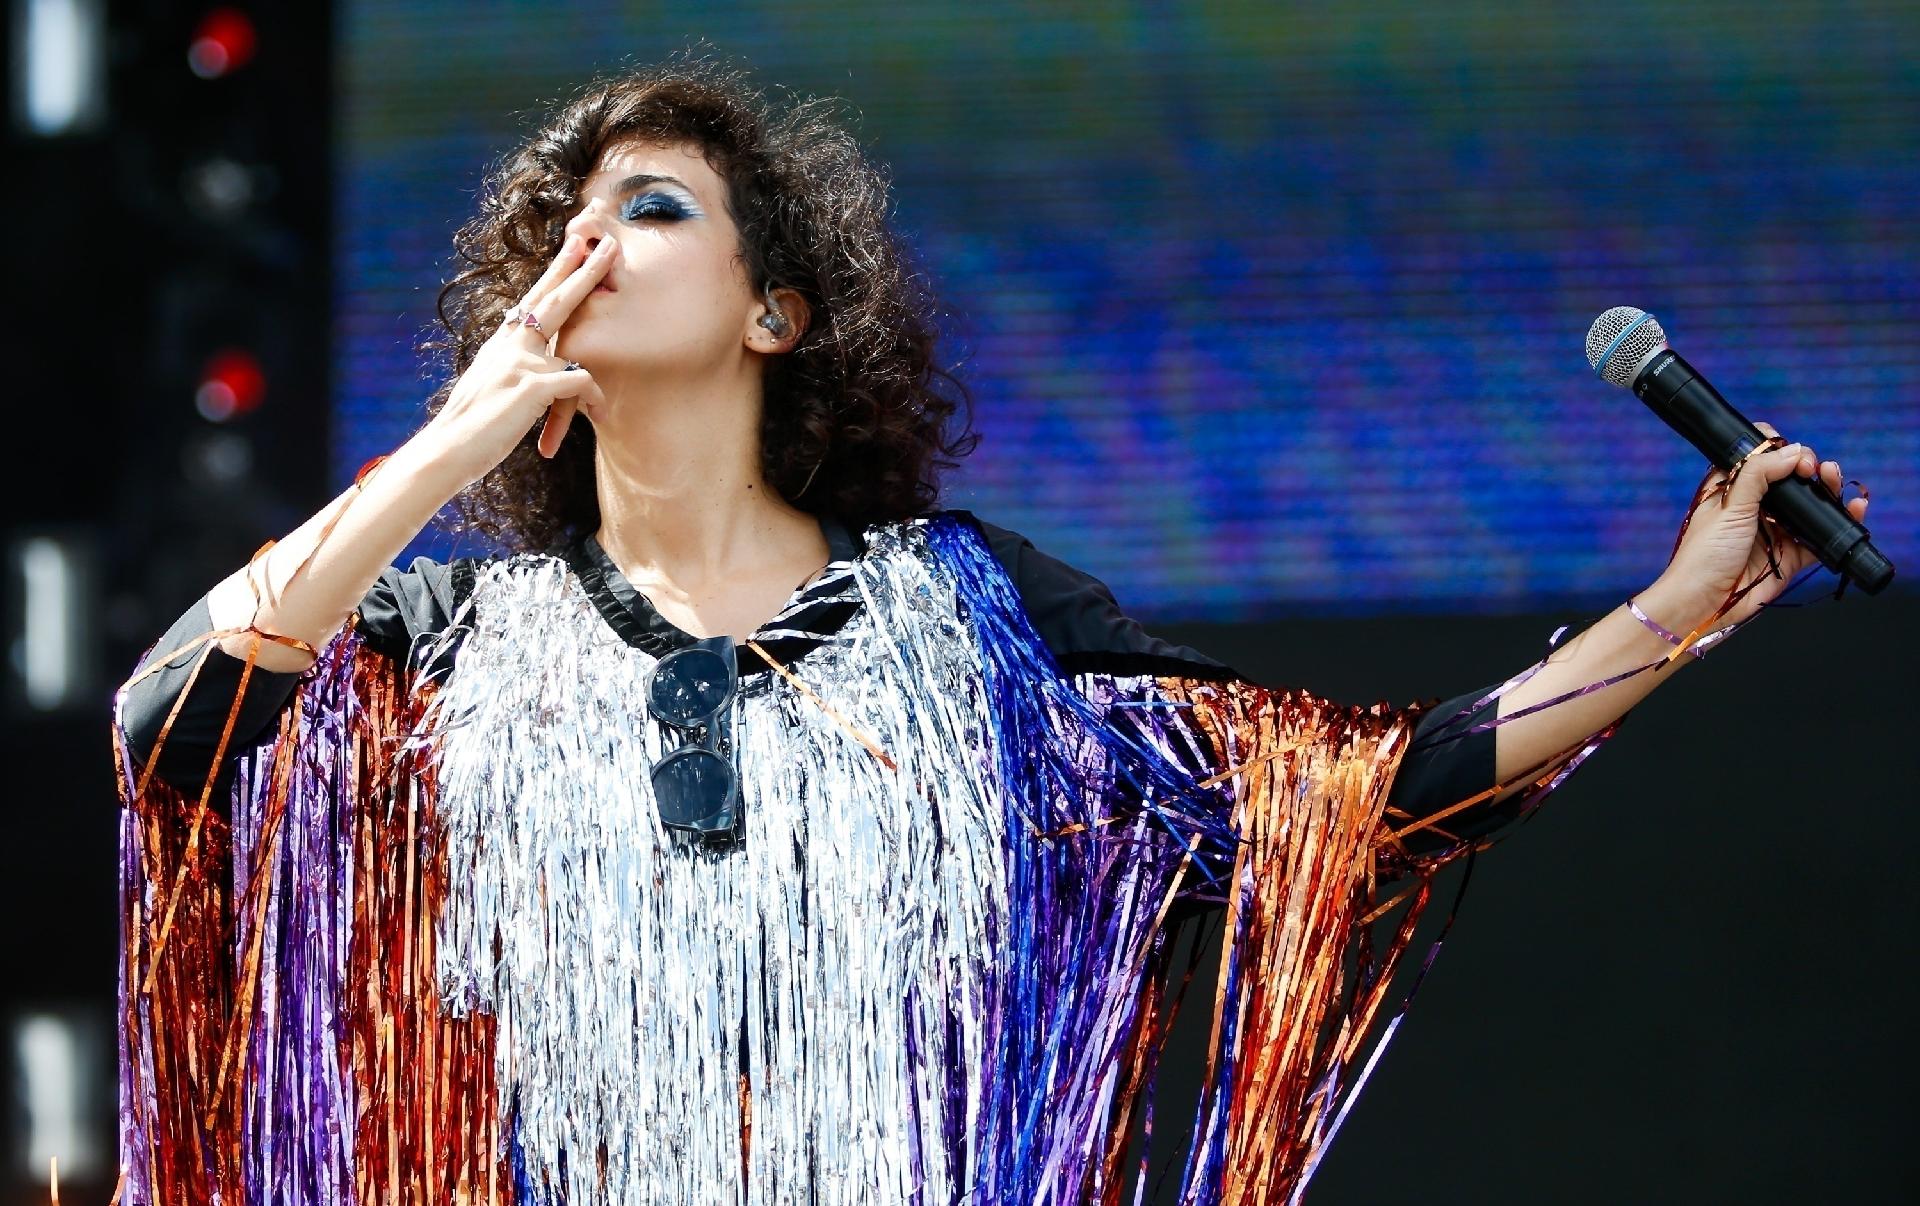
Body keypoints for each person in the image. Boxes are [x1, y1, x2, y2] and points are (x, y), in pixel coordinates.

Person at [111, 55, 1871, 1206]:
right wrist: (449, 443)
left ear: (777, 310)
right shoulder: (442, 641)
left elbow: (1370, 797)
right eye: (563, 228)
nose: (590, 248)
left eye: (651, 210)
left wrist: (1680, 604)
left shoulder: (973, 620)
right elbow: (169, 728)